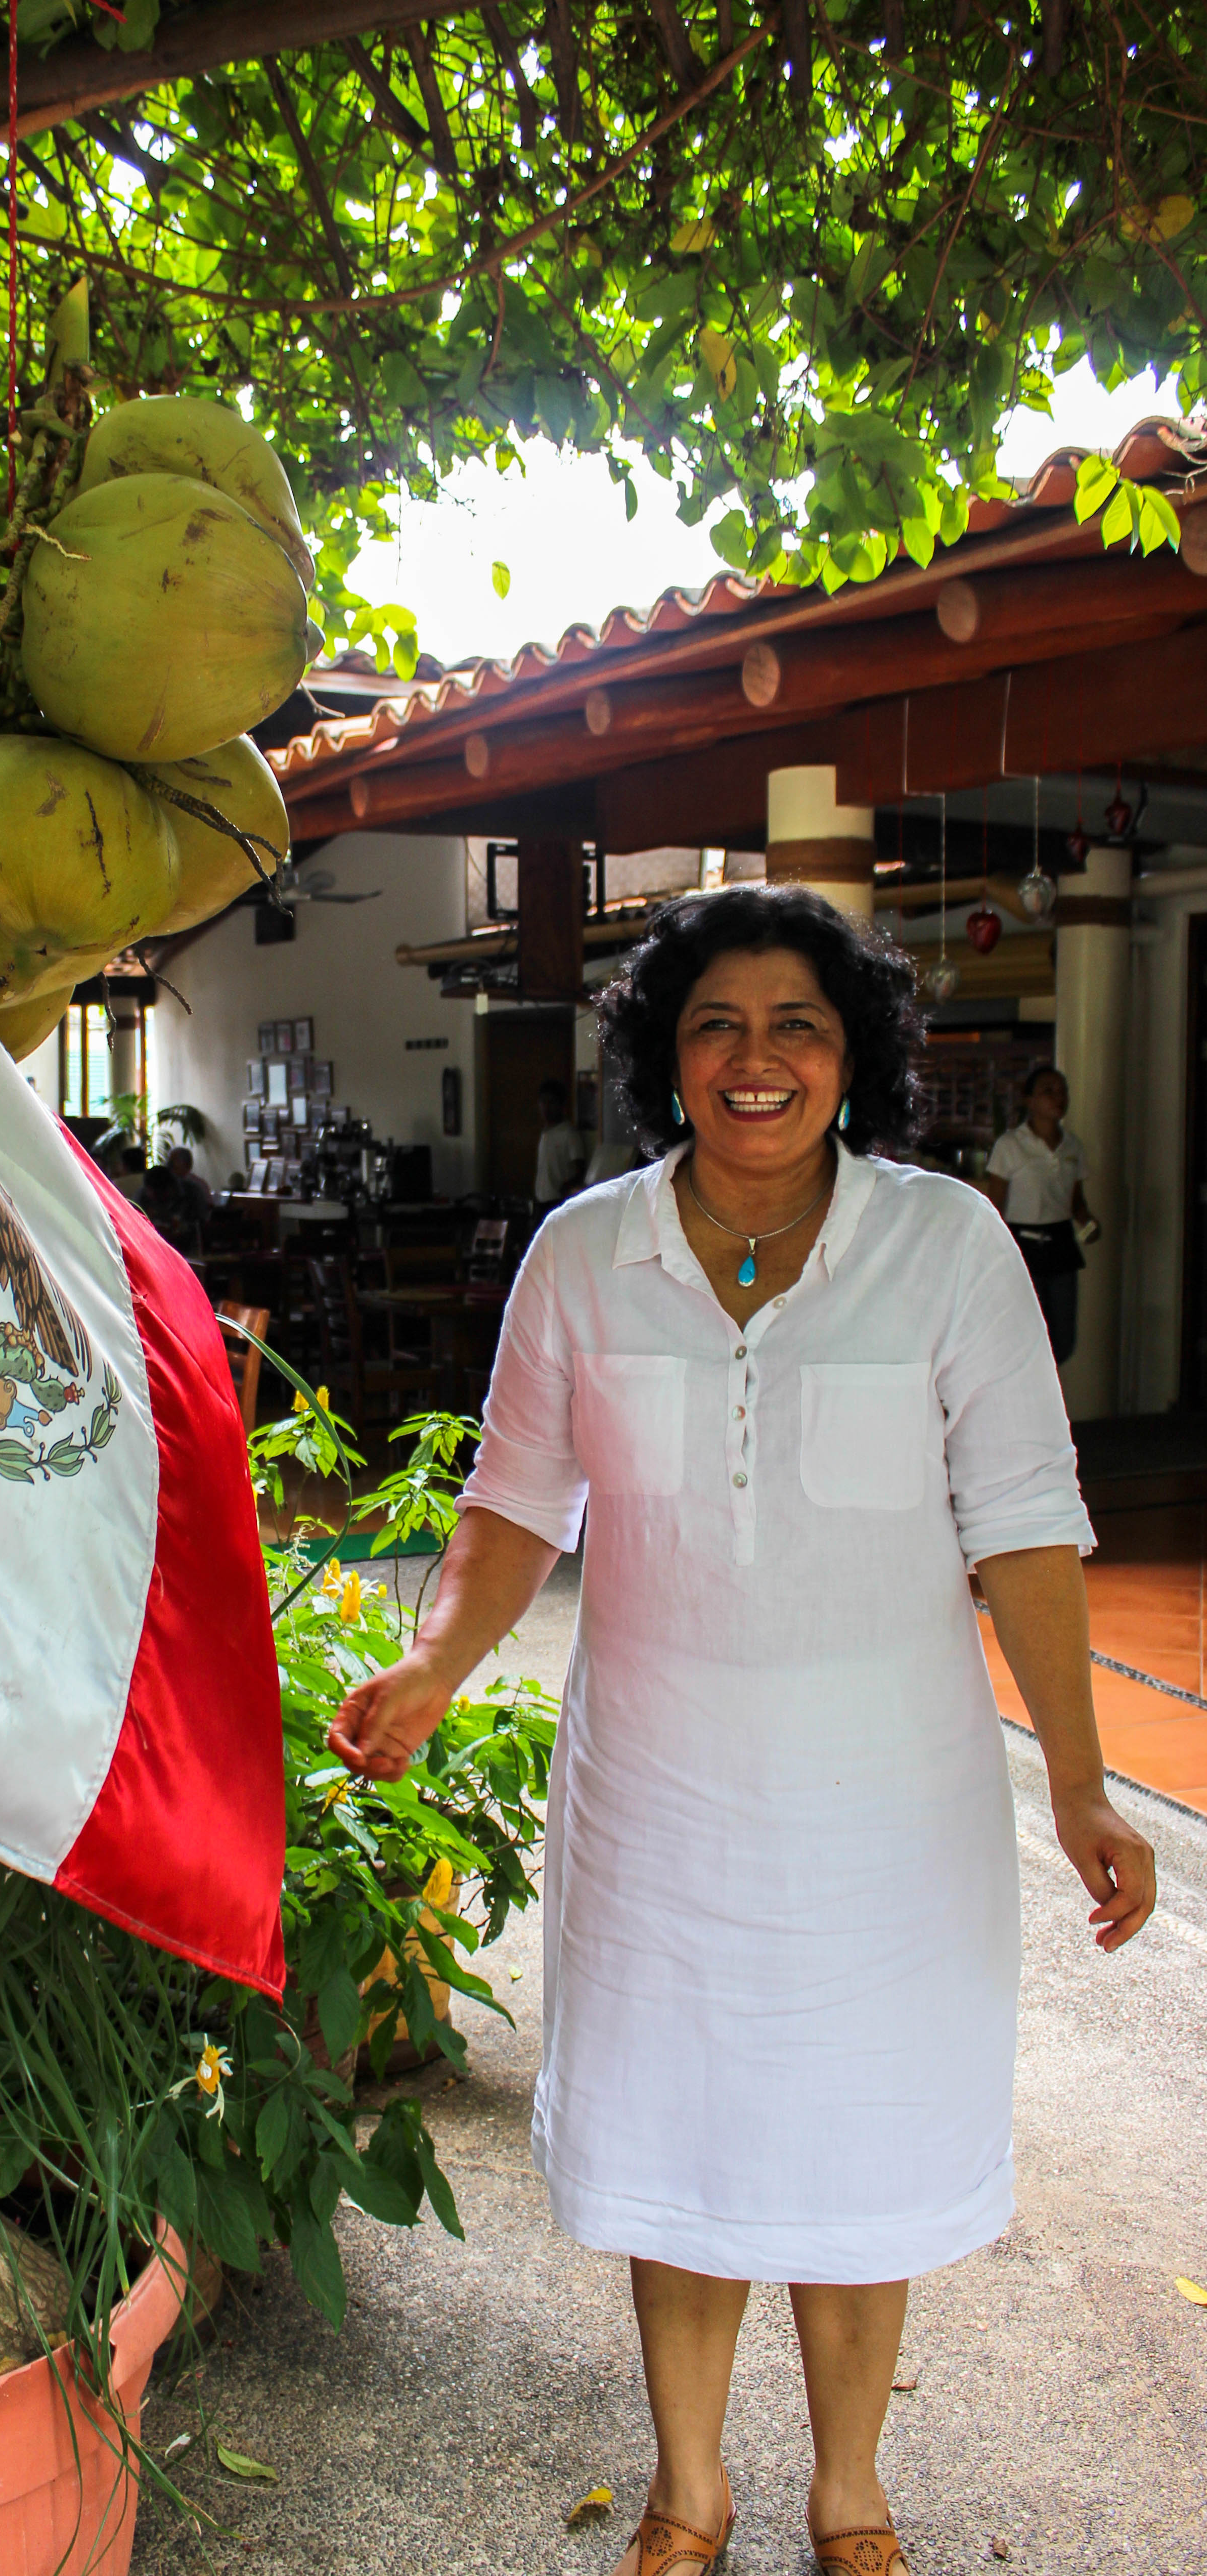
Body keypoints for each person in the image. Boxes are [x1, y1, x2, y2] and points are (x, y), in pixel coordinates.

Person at [327, 885, 1153, 2576]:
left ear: (852, 1058)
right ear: (664, 1056)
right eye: (715, 1022)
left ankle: (847, 2490)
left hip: (889, 1806)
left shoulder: (944, 1247)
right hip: (664, 1798)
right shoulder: (581, 1254)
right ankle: (685, 2488)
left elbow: (1019, 1521)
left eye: (796, 1023)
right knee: (680, 2136)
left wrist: (1077, 1782)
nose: (754, 1056)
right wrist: (432, 1667)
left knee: (857, 2131)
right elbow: (510, 1504)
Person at [983, 1066, 1099, 1365]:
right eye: (1048, 1091)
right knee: (1025, 1335)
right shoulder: (1011, 1145)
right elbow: (995, 1206)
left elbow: (1076, 1203)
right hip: (1023, 1243)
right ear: (1029, 1100)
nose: (1058, 1098)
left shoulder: (1072, 1146)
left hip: (1061, 1243)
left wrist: (1089, 1222)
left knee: (1062, 1338)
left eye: (1063, 1092)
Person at [534, 1077, 587, 1208]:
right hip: (541, 1199)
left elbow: (580, 1168)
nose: (547, 1108)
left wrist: (566, 1188)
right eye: (543, 1103)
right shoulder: (545, 1133)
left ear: (562, 1105)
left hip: (558, 1200)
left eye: (552, 1103)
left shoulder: (569, 1133)